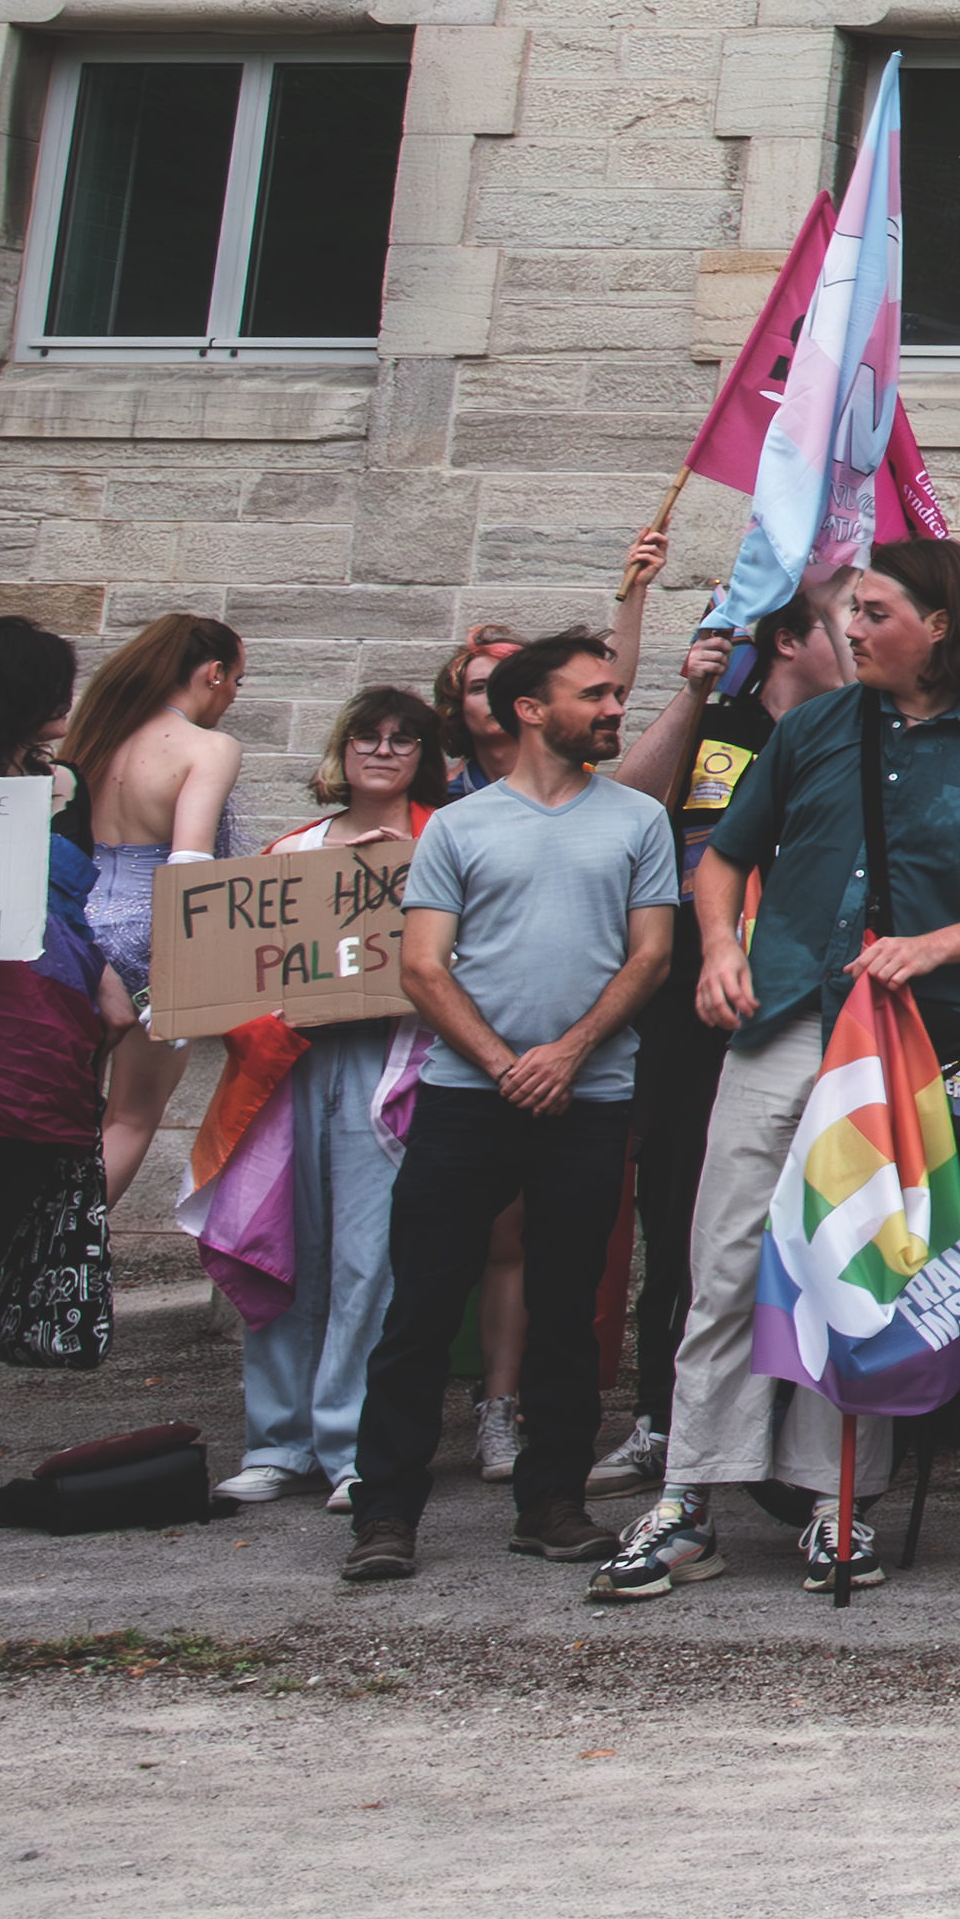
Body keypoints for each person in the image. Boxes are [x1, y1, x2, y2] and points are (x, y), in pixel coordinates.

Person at [590, 541, 960, 1602]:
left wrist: (937, 945)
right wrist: (721, 947)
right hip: (780, 1022)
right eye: (849, 611)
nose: (848, 629)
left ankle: (837, 1500)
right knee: (722, 1256)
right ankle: (690, 1496)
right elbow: (722, 854)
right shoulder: (811, 727)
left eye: (871, 610)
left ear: (940, 622)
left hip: (910, 1040)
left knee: (857, 1267)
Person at [341, 636, 677, 1583]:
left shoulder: (637, 821)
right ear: (530, 708)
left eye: (616, 691)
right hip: (465, 1099)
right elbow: (420, 965)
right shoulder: (459, 825)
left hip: (591, 1095)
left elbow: (649, 955)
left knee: (567, 1311)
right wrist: (503, 1065)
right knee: (420, 1304)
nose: (615, 707)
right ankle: (385, 1513)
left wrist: (567, 1053)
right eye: (596, 694)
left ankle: (554, 1503)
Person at [219, 685, 447, 1509]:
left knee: (367, 1259)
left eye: (404, 738)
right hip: (290, 1066)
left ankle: (352, 1445)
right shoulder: (292, 848)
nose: (383, 750)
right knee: (283, 1243)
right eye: (368, 736)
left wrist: (403, 877)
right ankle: (277, 1440)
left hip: (390, 1065)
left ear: (426, 755)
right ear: (342, 750)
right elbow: (241, 964)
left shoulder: (441, 840)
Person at [52, 613, 242, 1197]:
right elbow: (189, 864)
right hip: (149, 940)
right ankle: (65, 1246)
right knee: (129, 1117)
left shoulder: (92, 734)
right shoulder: (208, 747)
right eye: (238, 679)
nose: (234, 695)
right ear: (213, 674)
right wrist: (184, 973)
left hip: (71, 935)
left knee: (58, 1110)